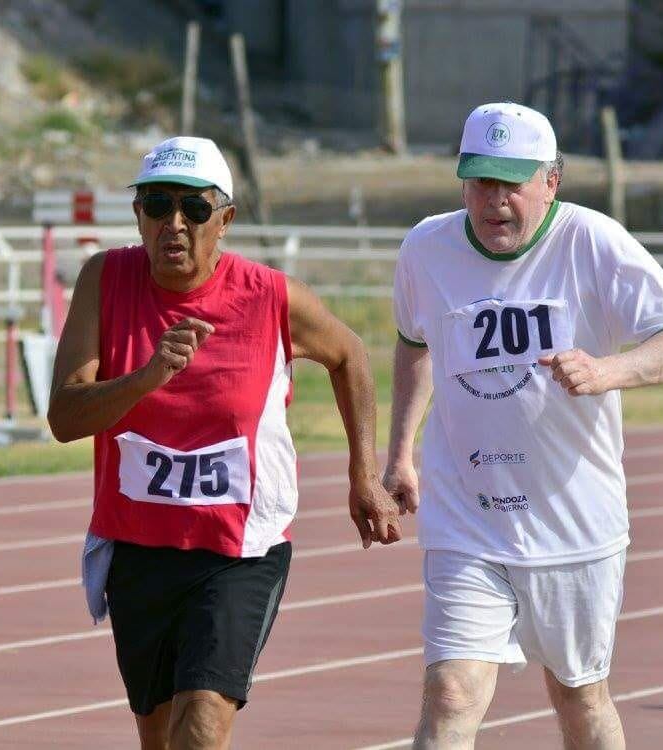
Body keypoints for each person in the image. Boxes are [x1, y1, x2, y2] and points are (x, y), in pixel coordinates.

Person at [47, 135, 402, 750]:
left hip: (240, 549)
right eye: (157, 205)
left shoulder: (269, 296)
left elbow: (351, 355)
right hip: (139, 545)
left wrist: (363, 475)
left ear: (226, 219)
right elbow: (64, 416)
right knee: (157, 735)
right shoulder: (106, 280)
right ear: (138, 215)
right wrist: (148, 376)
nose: (174, 224)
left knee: (203, 723)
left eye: (195, 208)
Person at [384, 103, 663, 749]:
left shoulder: (594, 241)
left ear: (550, 181)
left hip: (573, 522)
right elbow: (415, 344)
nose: (494, 201)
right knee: (449, 692)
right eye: (480, 182)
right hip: (468, 515)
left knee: (578, 695)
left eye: (511, 183)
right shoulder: (427, 247)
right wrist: (400, 455)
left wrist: (610, 370)